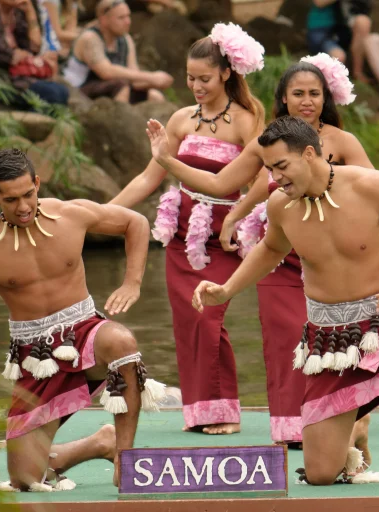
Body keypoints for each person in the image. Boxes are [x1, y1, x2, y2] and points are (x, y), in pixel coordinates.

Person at [181, 115, 379, 488]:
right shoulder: (280, 206)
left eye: (282, 166)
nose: (275, 177)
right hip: (328, 343)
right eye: (269, 169)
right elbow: (270, 249)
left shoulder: (371, 186)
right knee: (319, 475)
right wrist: (226, 288)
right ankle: (356, 430)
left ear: (310, 154)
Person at [0, 149, 166, 491]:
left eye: (28, 194)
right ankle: (100, 443)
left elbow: (135, 223)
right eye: (11, 199)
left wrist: (133, 282)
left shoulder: (71, 214)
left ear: (37, 183)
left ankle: (125, 458)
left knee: (122, 342)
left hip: (84, 333)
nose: (23, 206)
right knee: (23, 479)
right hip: (33, 357)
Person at [110, 23, 264, 435]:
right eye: (190, 77)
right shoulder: (180, 119)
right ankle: (203, 412)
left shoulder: (247, 122)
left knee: (208, 317)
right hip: (182, 236)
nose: (195, 85)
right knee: (189, 324)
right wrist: (100, 211)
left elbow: (255, 182)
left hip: (224, 236)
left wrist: (242, 220)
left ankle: (225, 412)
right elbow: (148, 179)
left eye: (204, 78)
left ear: (227, 74)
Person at [224, 54, 373, 448]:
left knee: (331, 340)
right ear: (284, 98)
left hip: (328, 256)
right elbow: (253, 184)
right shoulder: (269, 141)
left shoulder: (342, 142)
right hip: (282, 250)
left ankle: (336, 423)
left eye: (315, 93)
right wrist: (233, 216)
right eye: (298, 94)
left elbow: (374, 193)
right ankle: (289, 428)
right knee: (284, 337)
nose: (307, 101)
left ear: (326, 98)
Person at [63, 0, 173, 103]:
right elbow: (106, 72)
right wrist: (151, 77)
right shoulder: (90, 38)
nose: (128, 22)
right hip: (79, 91)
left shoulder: (126, 39)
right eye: (121, 18)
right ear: (104, 19)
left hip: (111, 88)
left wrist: (156, 82)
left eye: (128, 16)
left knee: (154, 95)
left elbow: (134, 76)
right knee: (122, 87)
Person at [0, 0, 69, 108]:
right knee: (55, 94)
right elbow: (2, 54)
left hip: (16, 75)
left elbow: (33, 47)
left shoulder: (16, 12)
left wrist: (30, 12)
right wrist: (32, 59)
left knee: (63, 92)